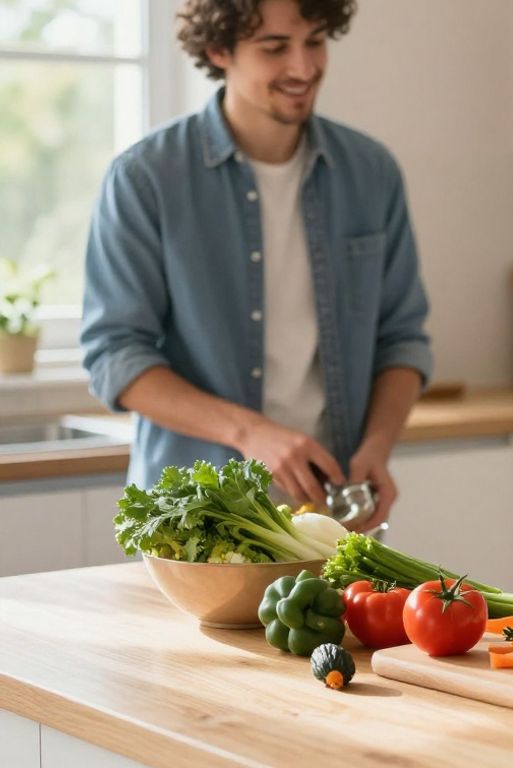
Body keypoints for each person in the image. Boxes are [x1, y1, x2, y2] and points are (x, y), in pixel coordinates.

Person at [80, 0, 432, 530]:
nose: (303, 68)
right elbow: (115, 355)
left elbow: (402, 339)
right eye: (274, 48)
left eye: (314, 41)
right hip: (196, 521)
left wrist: (376, 448)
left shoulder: (371, 173)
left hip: (334, 515)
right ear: (218, 49)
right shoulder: (146, 178)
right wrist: (252, 434)